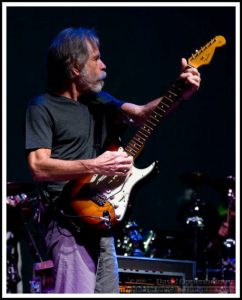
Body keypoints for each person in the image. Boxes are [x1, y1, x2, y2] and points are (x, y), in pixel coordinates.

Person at [25, 27, 201, 293]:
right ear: (74, 68)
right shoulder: (42, 107)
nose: (104, 65)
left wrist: (180, 93)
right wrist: (96, 165)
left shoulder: (101, 102)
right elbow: (38, 166)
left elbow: (141, 114)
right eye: (96, 58)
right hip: (66, 223)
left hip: (101, 220)